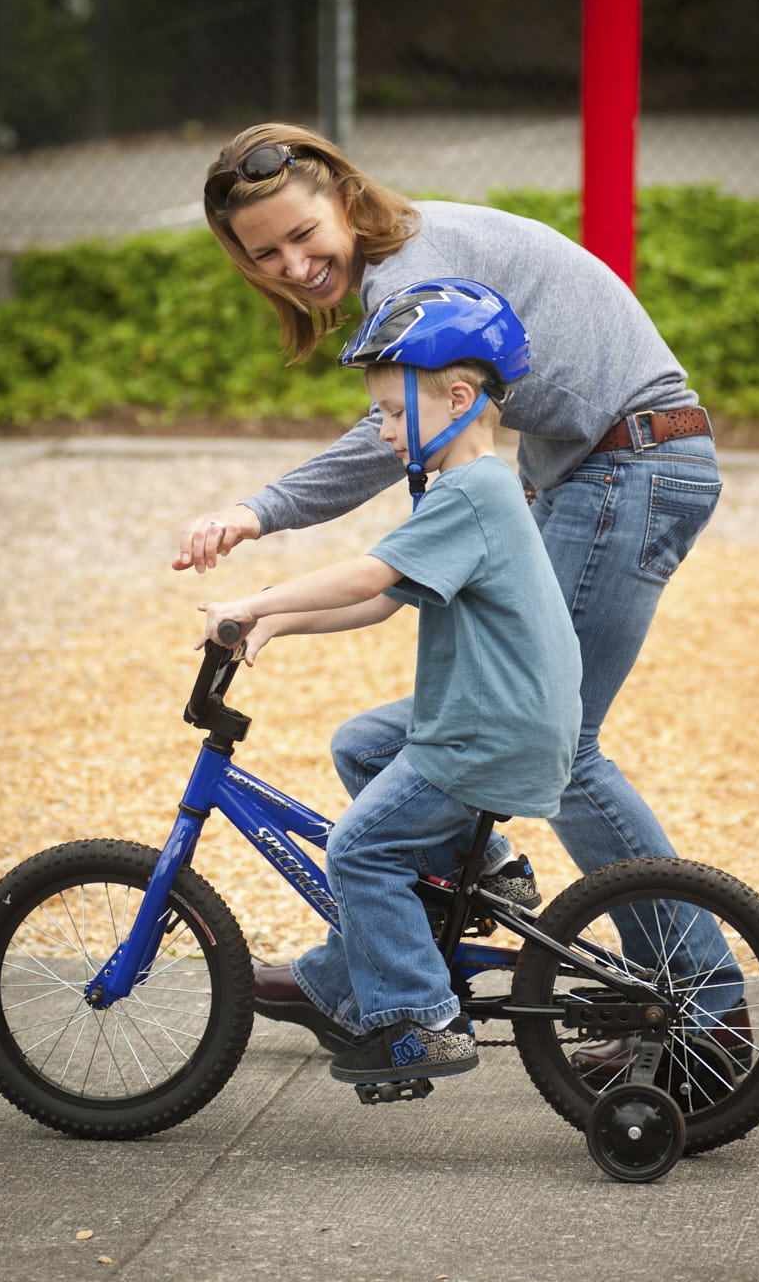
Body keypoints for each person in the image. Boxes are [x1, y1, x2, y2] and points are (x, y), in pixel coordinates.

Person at [176, 120, 735, 1059]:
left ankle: (704, 1011)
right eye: (263, 253)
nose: (294, 263)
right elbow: (400, 552)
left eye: (303, 234)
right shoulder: (404, 266)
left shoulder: (410, 283)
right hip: (596, 465)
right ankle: (422, 928)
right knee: (393, 736)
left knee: (564, 743)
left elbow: (388, 441)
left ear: (345, 200)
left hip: (633, 461)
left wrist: (257, 514)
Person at [196, 281, 583, 1083]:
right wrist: (277, 622)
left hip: (488, 728)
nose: (383, 430)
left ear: (460, 397)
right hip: (504, 714)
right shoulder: (476, 488)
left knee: (359, 851)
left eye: (395, 413)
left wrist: (253, 598)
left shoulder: (471, 492)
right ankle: (483, 869)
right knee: (364, 743)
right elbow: (381, 599)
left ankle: (423, 1020)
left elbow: (366, 572)